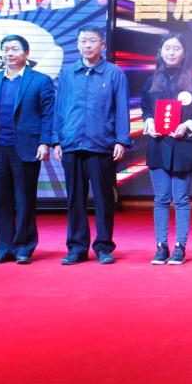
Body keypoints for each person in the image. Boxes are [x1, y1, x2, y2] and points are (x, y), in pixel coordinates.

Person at [53, 26, 131, 265]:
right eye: (83, 41)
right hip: (72, 144)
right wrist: (56, 140)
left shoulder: (114, 73)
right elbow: (59, 108)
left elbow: (122, 109)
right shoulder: (68, 73)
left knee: (104, 199)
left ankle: (103, 247)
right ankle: (76, 248)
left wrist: (121, 139)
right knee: (74, 199)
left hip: (102, 144)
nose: (87, 45)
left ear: (102, 45)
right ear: (77, 45)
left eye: (92, 41)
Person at [0, 34, 55, 265]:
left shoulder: (40, 80)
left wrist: (45, 142)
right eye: (5, 49)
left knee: (24, 200)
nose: (9, 53)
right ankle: (4, 248)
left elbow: (48, 114)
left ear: (26, 54)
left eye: (14, 49)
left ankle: (24, 248)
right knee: (0, 201)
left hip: (26, 148)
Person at [140, 34, 192, 265]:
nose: (171, 52)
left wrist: (186, 125)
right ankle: (161, 247)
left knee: (180, 198)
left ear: (184, 53)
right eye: (167, 48)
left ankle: (180, 247)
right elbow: (146, 110)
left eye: (176, 48)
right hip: (158, 145)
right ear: (160, 52)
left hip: (183, 146)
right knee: (161, 198)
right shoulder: (151, 82)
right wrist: (149, 122)